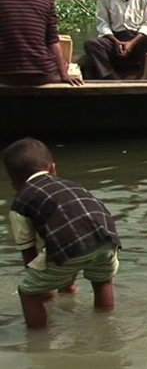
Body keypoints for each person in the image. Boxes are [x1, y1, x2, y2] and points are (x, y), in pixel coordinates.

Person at [3, 137, 121, 329]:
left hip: (70, 246)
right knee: (102, 281)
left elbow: (28, 248)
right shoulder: (72, 185)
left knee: (27, 292)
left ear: (15, 184)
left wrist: (41, 287)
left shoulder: (21, 202)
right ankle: (106, 324)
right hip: (107, 237)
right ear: (52, 168)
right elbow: (79, 230)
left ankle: (39, 339)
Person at [0, 0, 82, 86]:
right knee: (65, 64)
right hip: (41, 75)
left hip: (4, 75)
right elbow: (53, 41)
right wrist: (64, 74)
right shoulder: (46, 1)